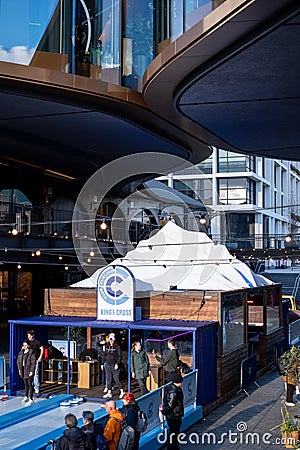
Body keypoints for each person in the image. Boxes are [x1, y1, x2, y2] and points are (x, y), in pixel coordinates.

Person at [162, 373, 184, 450]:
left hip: (172, 415)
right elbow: (171, 405)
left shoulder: (169, 388)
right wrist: (165, 411)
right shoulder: (174, 392)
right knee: (174, 433)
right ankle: (173, 448)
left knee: (173, 433)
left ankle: (173, 447)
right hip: (174, 415)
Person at [101, 333, 124, 399]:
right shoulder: (106, 346)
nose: (111, 341)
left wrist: (117, 363)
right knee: (109, 379)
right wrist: (102, 363)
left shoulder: (117, 347)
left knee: (116, 378)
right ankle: (109, 392)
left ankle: (122, 391)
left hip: (114, 364)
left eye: (112, 339)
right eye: (110, 339)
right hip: (107, 364)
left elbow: (120, 356)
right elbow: (104, 355)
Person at [17, 341, 36, 406]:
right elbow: (18, 361)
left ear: (28, 346)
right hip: (23, 370)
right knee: (25, 384)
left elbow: (33, 363)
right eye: (23, 345)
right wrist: (19, 369)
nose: (24, 346)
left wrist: (32, 371)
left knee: (30, 384)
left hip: (28, 370)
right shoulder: (21, 352)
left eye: (25, 345)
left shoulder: (31, 353)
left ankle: (31, 398)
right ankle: (26, 396)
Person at [25, 329, 44, 394]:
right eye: (28, 335)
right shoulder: (26, 341)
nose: (29, 337)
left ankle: (36, 387)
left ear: (33, 335)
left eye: (30, 335)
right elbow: (23, 348)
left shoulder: (37, 342)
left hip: (35, 360)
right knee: (29, 374)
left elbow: (42, 348)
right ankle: (30, 387)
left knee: (36, 373)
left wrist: (40, 357)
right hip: (28, 360)